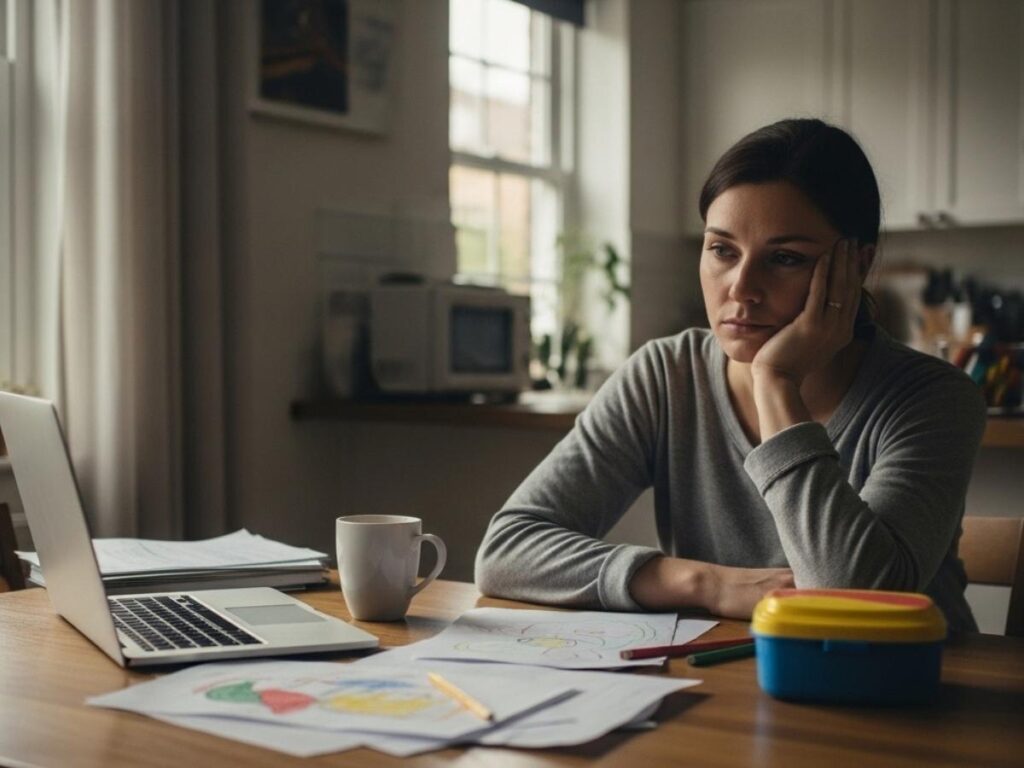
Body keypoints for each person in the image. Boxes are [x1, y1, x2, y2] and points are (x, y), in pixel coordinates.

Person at [474, 118, 986, 633]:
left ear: (858, 264)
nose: (741, 288)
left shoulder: (934, 399)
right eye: (722, 250)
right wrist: (707, 584)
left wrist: (775, 381)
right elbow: (507, 550)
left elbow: (856, 602)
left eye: (784, 258)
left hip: (907, 696)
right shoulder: (666, 375)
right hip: (732, 688)